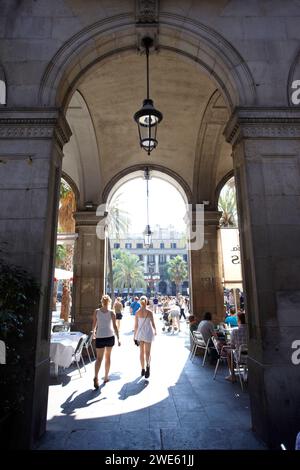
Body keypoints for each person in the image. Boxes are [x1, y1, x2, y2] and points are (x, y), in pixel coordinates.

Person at [92, 294, 120, 389]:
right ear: (109, 302)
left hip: (100, 336)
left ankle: (96, 377)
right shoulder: (111, 313)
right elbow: (115, 327)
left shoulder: (96, 312)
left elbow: (94, 325)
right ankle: (106, 377)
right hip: (109, 336)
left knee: (99, 359)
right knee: (108, 357)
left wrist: (93, 334)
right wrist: (118, 338)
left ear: (101, 302)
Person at [134, 295, 156, 378]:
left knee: (141, 352)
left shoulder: (137, 312)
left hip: (140, 334)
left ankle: (142, 369)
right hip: (148, 333)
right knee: (148, 352)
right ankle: (148, 366)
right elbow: (153, 323)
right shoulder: (150, 312)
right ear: (146, 302)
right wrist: (155, 330)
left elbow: (135, 326)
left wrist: (134, 337)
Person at [225, 312, 248, 382]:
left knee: (229, 353)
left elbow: (232, 346)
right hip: (252, 356)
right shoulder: (251, 331)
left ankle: (233, 376)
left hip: (240, 357)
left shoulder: (235, 331)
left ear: (239, 320)